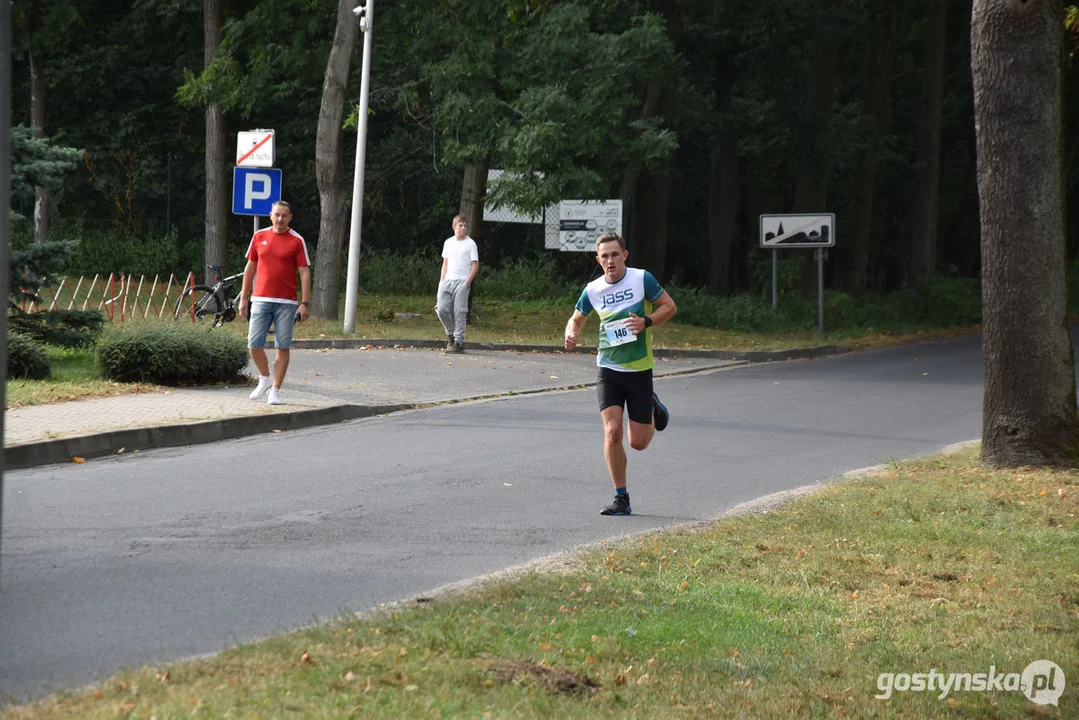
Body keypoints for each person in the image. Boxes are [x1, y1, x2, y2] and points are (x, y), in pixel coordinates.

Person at [564, 232, 677, 516]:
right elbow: (577, 318)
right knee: (613, 432)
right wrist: (572, 332)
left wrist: (646, 321)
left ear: (624, 255)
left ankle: (651, 404)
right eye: (605, 256)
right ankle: (621, 498)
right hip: (608, 368)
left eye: (615, 254)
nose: (610, 260)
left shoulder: (642, 279)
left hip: (639, 369)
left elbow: (670, 307)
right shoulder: (593, 289)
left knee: (638, 442)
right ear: (598, 259)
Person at [238, 200, 312, 406]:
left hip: (286, 302)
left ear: (290, 218)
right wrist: (244, 297)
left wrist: (305, 302)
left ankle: (276, 390)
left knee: (283, 346)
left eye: (284, 215)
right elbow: (250, 268)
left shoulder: (297, 241)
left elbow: (304, 272)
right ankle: (265, 378)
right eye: (276, 214)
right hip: (260, 299)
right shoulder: (259, 236)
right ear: (270, 215)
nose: (280, 219)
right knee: (254, 343)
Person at [436, 215, 479, 353]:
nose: (463, 228)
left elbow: (475, 265)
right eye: (460, 225)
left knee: (459, 312)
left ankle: (459, 342)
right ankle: (451, 334)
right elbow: (445, 263)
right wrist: (442, 280)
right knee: (441, 309)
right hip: (447, 281)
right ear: (454, 226)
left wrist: (467, 283)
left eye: (465, 225)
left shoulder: (470, 244)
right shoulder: (448, 242)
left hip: (462, 281)